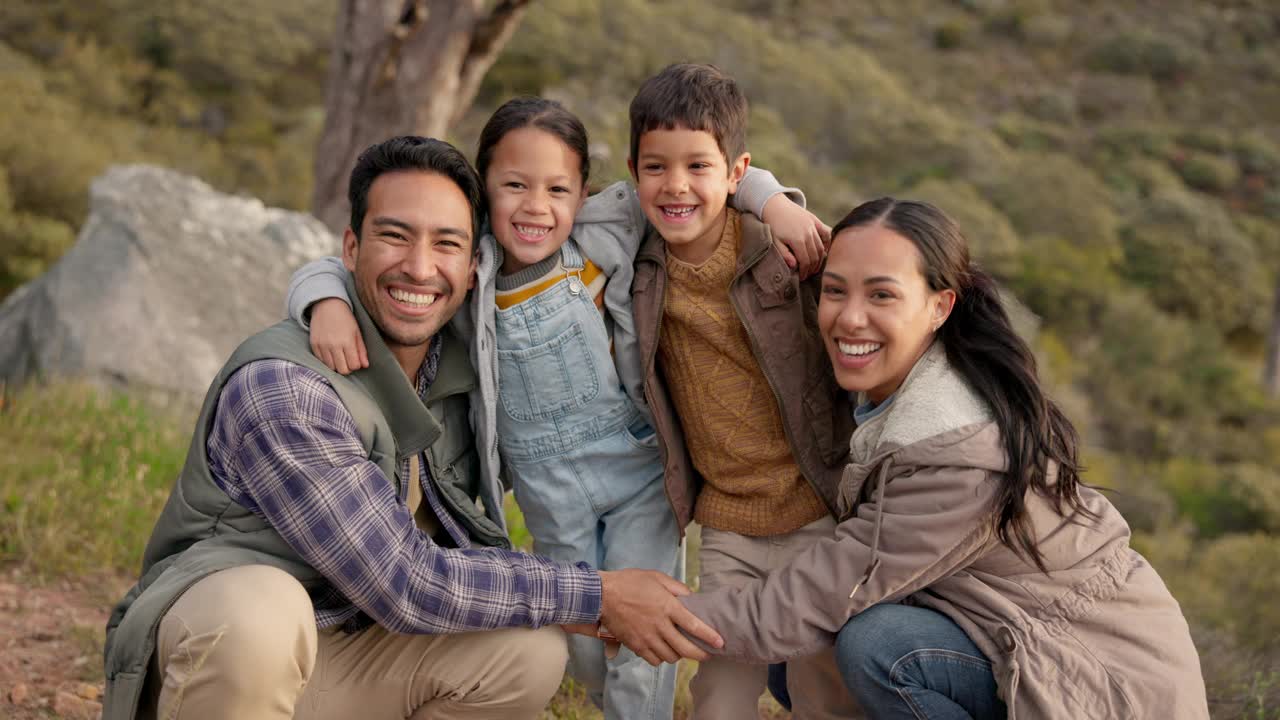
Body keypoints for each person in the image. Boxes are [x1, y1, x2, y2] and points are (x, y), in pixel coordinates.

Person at [101, 136, 724, 720]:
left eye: (447, 244)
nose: (420, 269)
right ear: (351, 248)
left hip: (344, 650)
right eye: (395, 237)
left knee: (527, 652)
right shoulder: (284, 389)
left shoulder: (461, 356)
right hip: (226, 657)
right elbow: (403, 581)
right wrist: (601, 593)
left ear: (474, 262)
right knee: (262, 611)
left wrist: (770, 204)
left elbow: (683, 187)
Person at [284, 97, 824, 720]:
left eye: (557, 189)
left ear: (583, 194)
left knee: (646, 634)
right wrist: (325, 301)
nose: (536, 206)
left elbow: (695, 171)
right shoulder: (469, 270)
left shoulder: (601, 234)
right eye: (514, 185)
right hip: (547, 491)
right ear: (484, 193)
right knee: (585, 640)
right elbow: (331, 266)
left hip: (634, 472)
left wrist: (774, 201)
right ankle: (604, 701)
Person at [681, 197, 1212, 719]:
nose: (850, 318)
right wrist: (770, 200)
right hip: (999, 628)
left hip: (1095, 676)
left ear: (940, 306)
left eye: (882, 295)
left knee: (872, 646)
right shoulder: (892, 377)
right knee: (795, 661)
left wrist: (641, 610)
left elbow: (817, 597)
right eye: (835, 291)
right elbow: (700, 166)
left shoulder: (955, 446)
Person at [625, 63, 859, 719]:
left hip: (816, 511)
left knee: (824, 692)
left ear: (734, 173)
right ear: (633, 171)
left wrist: (775, 201)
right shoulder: (633, 257)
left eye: (698, 168)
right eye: (655, 169)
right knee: (719, 696)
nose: (675, 186)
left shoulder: (779, 255)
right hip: (729, 526)